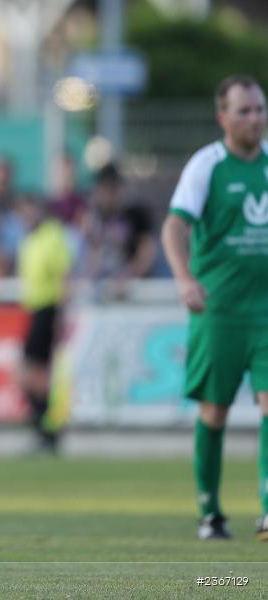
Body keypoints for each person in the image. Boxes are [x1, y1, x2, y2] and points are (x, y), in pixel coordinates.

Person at [162, 74, 268, 541]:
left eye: (260, 109)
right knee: (215, 413)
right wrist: (185, 278)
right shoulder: (207, 165)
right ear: (222, 117)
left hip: (266, 312)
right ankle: (210, 511)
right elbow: (174, 227)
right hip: (219, 311)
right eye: (244, 110)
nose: (255, 118)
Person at [15, 193, 73, 452]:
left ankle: (47, 430)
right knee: (30, 373)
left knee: (34, 373)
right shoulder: (30, 239)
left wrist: (60, 316)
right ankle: (45, 430)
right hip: (34, 309)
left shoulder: (53, 235)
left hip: (48, 309)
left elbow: (64, 277)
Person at [82, 163, 157, 299]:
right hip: (103, 290)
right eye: (103, 190)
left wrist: (127, 275)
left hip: (134, 292)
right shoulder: (96, 217)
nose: (107, 195)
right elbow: (92, 255)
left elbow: (147, 254)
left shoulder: (136, 215)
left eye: (112, 190)